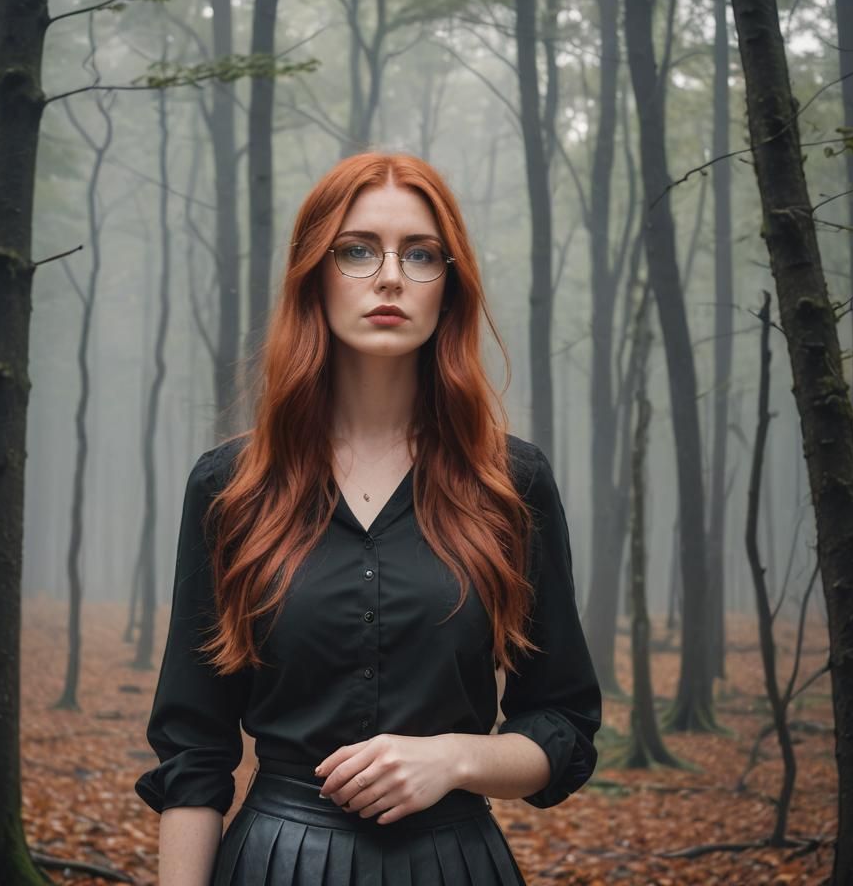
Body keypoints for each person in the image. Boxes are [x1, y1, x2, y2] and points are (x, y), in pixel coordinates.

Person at [134, 152, 602, 886]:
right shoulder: (230, 488)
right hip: (274, 866)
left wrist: (455, 758)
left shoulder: (512, 484)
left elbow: (564, 724)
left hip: (455, 866)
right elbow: (194, 751)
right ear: (313, 276)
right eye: (356, 251)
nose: (389, 277)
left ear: (450, 285)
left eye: (420, 254)